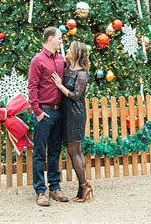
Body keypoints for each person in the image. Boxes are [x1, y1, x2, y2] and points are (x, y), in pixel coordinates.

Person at [28, 26, 69, 207]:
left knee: (54, 152)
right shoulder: (37, 60)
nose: (61, 40)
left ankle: (55, 187)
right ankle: (40, 191)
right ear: (50, 38)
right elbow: (32, 87)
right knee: (39, 153)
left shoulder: (61, 60)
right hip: (44, 113)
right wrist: (37, 111)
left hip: (59, 112)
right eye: (59, 37)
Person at [52, 40, 93, 202]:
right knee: (76, 150)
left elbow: (76, 96)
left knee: (73, 150)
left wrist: (60, 86)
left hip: (75, 115)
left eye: (69, 49)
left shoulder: (82, 74)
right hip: (67, 113)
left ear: (76, 53)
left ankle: (84, 186)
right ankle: (84, 186)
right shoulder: (67, 68)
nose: (66, 51)